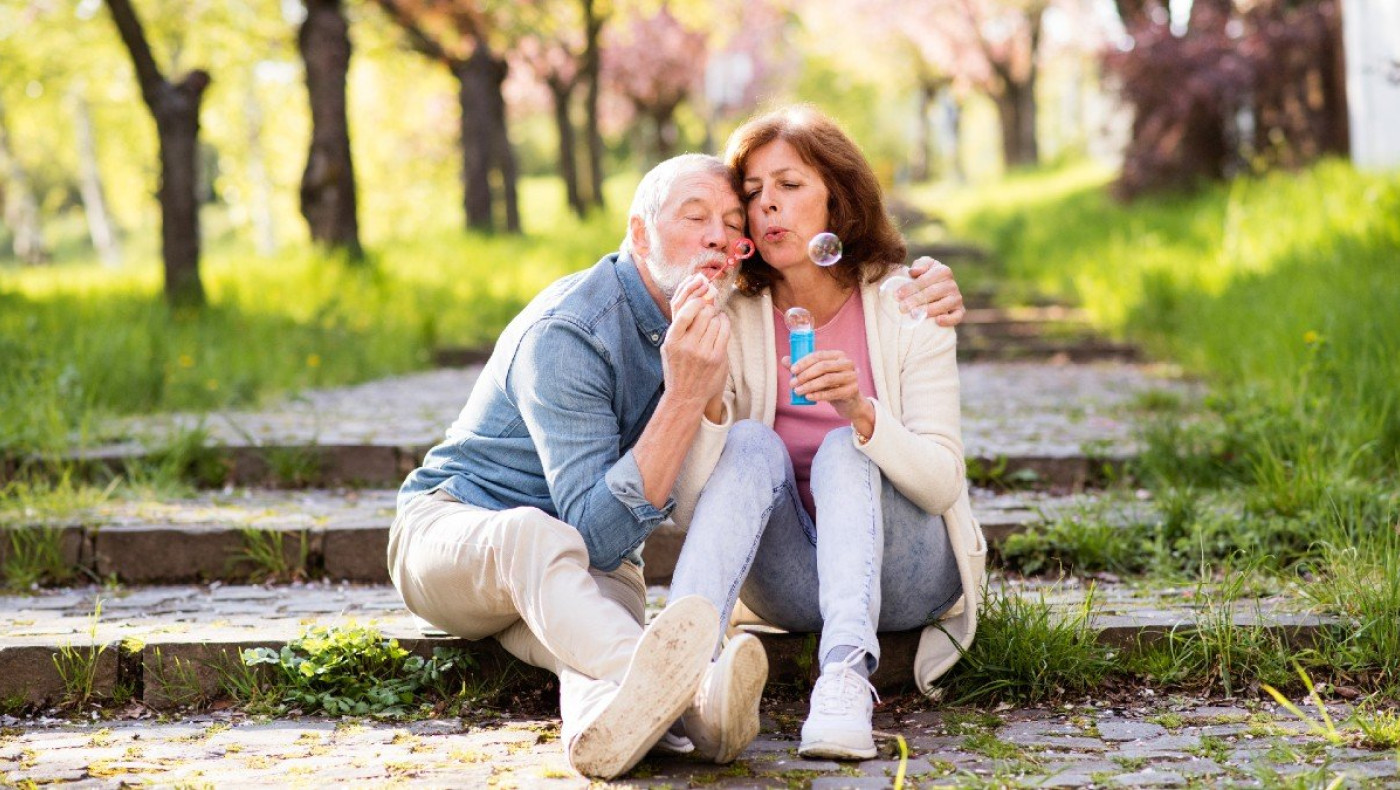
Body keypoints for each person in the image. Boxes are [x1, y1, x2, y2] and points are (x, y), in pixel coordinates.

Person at [390, 153, 966, 778]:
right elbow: (595, 530)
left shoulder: (712, 317)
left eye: (729, 220)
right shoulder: (569, 333)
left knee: (591, 658)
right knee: (537, 536)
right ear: (639, 233)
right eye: (695, 218)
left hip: (585, 566)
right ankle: (695, 689)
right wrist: (687, 396)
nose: (718, 235)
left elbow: (613, 546)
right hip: (461, 535)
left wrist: (929, 281)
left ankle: (664, 730)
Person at [669, 106, 987, 761]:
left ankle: (843, 678)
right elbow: (694, 502)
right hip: (794, 579)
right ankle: (676, 673)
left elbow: (941, 483)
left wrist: (863, 414)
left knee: (848, 445)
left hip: (909, 573)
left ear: (837, 200)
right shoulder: (731, 313)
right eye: (753, 194)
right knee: (749, 443)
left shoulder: (910, 304)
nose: (768, 207)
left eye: (789, 185)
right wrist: (701, 391)